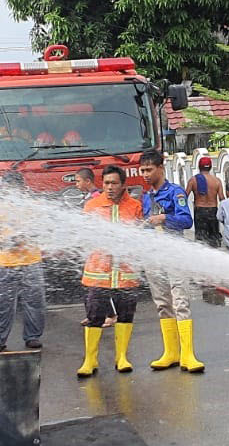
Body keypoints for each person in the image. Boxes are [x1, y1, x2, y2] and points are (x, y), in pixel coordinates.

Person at [139, 149, 204, 373]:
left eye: (149, 170)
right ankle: (171, 352)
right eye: (142, 170)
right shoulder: (146, 196)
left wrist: (165, 218)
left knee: (180, 302)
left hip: (174, 254)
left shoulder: (175, 192)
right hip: (153, 255)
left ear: (160, 168)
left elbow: (187, 220)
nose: (145, 174)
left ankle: (188, 354)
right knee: (162, 303)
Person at [78, 166, 144, 377]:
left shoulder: (134, 206)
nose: (109, 187)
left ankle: (122, 357)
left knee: (125, 315)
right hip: (98, 272)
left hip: (126, 273)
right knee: (94, 315)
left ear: (123, 184)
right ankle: (90, 360)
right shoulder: (91, 206)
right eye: (106, 183)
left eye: (114, 183)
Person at [0, 172, 46, 350]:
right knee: (3, 305)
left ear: (20, 187)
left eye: (10, 187)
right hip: (7, 264)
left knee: (34, 303)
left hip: (31, 262)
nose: (6, 190)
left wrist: (22, 237)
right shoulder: (0, 209)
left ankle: (32, 337)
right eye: (5, 187)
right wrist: (4, 240)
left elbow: (40, 229)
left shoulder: (33, 207)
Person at [186, 155, 224, 247]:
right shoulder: (217, 181)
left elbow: (184, 196)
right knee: (214, 237)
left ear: (199, 167)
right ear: (210, 167)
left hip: (200, 211)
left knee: (201, 240)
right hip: (213, 211)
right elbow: (222, 198)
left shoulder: (193, 180)